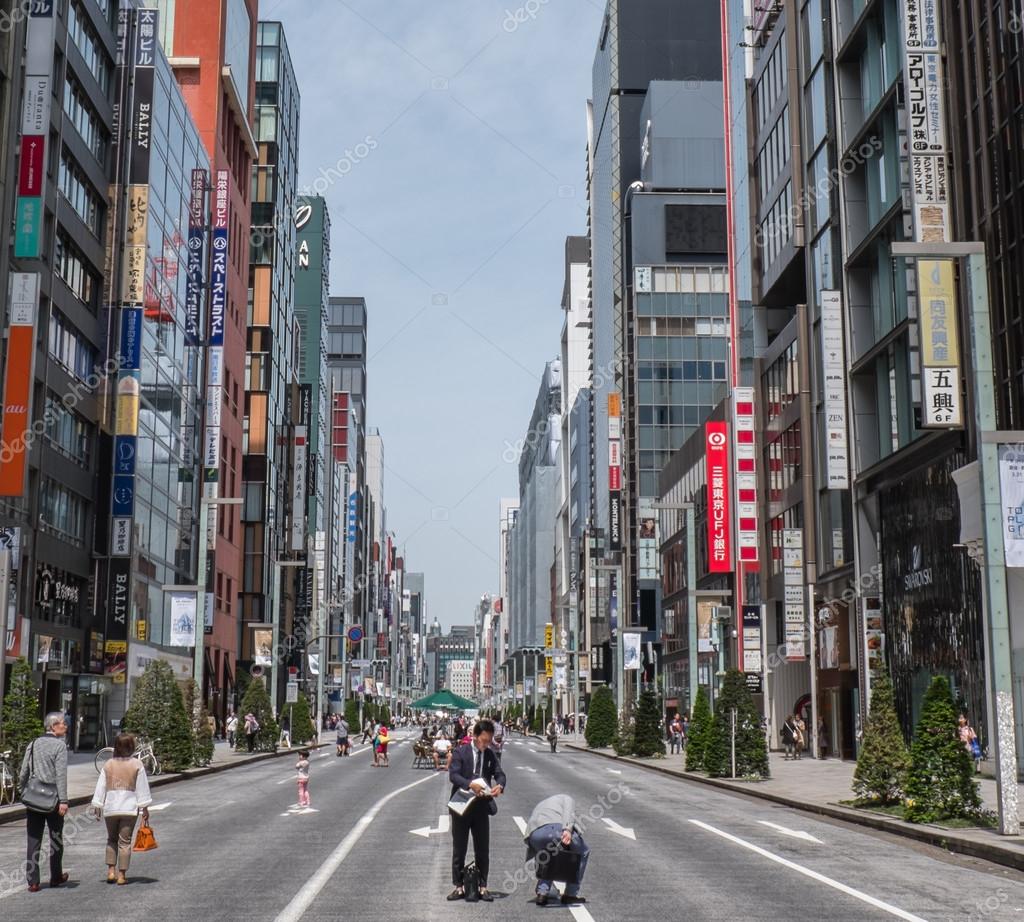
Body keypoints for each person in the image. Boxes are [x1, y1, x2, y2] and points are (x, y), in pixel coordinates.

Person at [447, 719, 506, 902]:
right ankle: (459, 886)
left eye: (489, 741)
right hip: (462, 806)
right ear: (475, 736)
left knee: (482, 848)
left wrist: (500, 786)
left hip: (481, 807)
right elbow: (453, 774)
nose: (486, 744)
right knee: (459, 848)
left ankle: (483, 886)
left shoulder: (489, 754)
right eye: (483, 740)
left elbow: (500, 774)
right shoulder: (461, 752)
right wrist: (469, 784)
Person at [89, 733, 153, 885]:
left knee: (111, 839)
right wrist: (144, 808)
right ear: (131, 747)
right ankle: (122, 875)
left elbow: (101, 787)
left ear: (116, 747)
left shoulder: (108, 764)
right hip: (129, 808)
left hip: (111, 808)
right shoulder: (137, 765)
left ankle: (111, 871)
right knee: (124, 842)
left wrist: (97, 805)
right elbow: (142, 788)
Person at [20, 712, 70, 892]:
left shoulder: (33, 744)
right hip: (53, 799)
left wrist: (22, 790)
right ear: (53, 726)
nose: (65, 726)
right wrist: (63, 800)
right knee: (56, 837)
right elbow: (61, 775)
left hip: (33, 798)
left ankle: (33, 881)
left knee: (33, 839)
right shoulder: (60, 746)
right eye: (63, 723)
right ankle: (56, 876)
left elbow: (24, 770)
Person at [525, 793, 589, 906]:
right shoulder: (567, 798)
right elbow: (569, 813)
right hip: (555, 830)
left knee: (549, 857)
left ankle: (542, 893)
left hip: (534, 834)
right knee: (583, 851)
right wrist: (568, 830)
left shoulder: (543, 803)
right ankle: (570, 894)